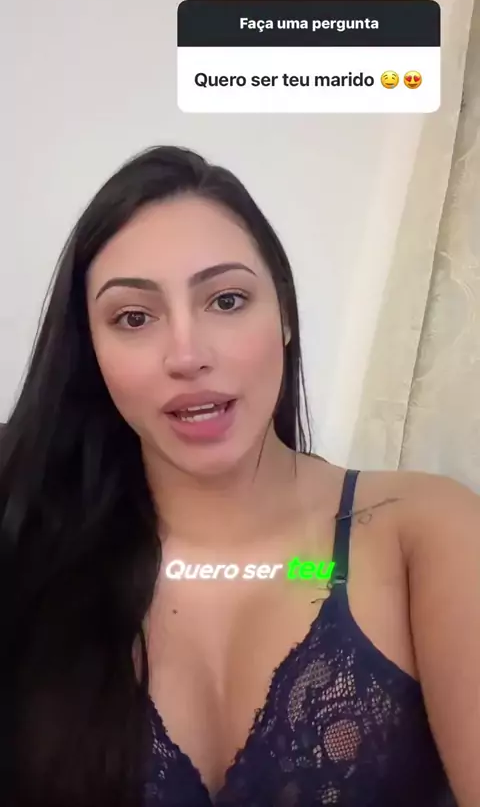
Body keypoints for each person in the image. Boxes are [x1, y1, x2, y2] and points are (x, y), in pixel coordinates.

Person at [1, 145, 479, 807]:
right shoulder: (25, 530)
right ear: (93, 351)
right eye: (134, 318)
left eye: (226, 300)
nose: (187, 355)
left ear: (284, 316)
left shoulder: (425, 534)